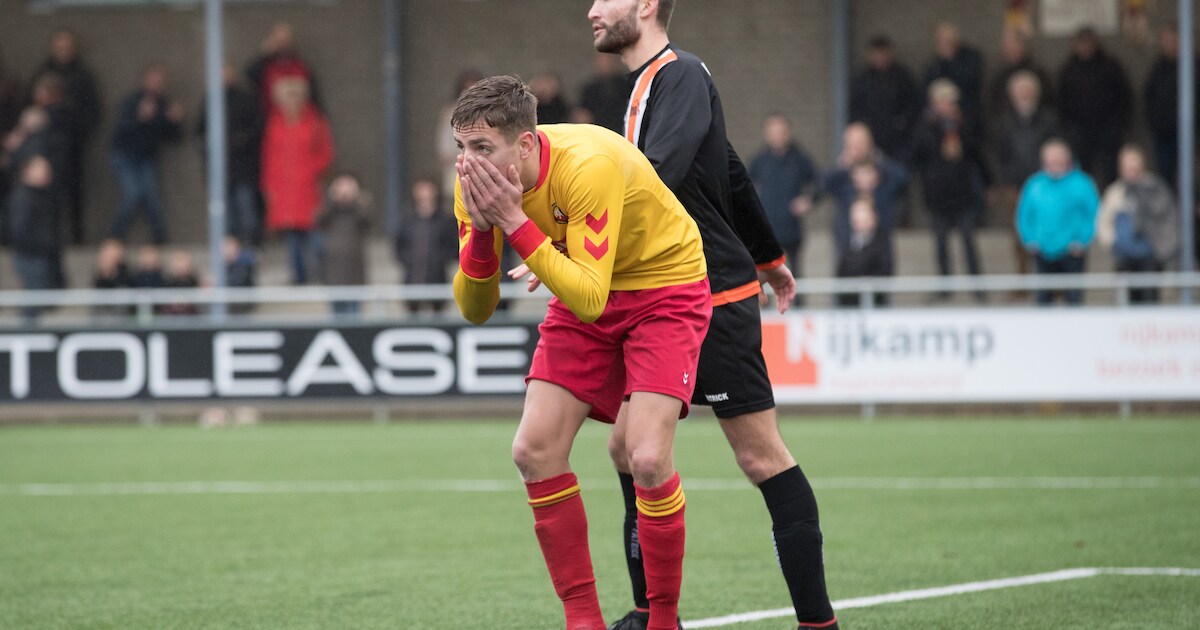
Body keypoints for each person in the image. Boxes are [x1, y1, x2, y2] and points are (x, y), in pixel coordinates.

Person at [586, 1, 837, 629]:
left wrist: (574, 241)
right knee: (626, 449)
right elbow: (729, 170)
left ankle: (818, 623)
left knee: (761, 458)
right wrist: (770, 256)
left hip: (711, 296)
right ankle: (649, 613)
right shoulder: (650, 86)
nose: (591, 10)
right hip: (660, 295)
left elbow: (659, 178)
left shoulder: (681, 75)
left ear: (647, 5)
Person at [451, 76, 710, 630]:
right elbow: (475, 309)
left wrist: (516, 224)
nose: (468, 162)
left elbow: (589, 298)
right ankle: (583, 622)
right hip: (585, 285)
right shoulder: (474, 185)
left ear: (524, 144)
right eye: (462, 147)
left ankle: (663, 621)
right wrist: (483, 232)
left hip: (664, 287)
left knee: (646, 458)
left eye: (482, 147)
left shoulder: (587, 164)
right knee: (533, 450)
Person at [908, 79, 986, 299]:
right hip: (937, 195)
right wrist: (935, 129)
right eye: (943, 102)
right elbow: (915, 156)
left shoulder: (964, 124)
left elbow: (977, 154)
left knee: (968, 241)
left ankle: (978, 287)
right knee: (941, 243)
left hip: (963, 194)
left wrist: (958, 131)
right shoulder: (925, 127)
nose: (948, 106)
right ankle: (945, 287)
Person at [260, 76, 334, 285]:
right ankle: (299, 276)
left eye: (294, 98)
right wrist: (269, 186)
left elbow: (326, 153)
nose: (290, 104)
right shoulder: (275, 124)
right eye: (286, 99)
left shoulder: (315, 122)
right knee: (292, 236)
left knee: (315, 232)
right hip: (284, 188)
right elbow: (269, 156)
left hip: (307, 186)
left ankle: (325, 274)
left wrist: (312, 170)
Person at [31, 30, 100, 245]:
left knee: (74, 192)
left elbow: (92, 111)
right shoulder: (43, 71)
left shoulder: (82, 76)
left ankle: (76, 236)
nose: (63, 52)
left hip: (72, 145)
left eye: (67, 48)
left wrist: (78, 133)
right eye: (59, 48)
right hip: (43, 147)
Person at [1016, 139, 1100, 306]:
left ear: (1067, 160)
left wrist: (1082, 240)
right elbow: (1024, 215)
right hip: (1042, 250)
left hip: (1072, 250)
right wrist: (1030, 239)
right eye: (1050, 162)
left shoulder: (1082, 184)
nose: (1053, 167)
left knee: (1074, 299)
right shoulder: (1034, 184)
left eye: (1057, 162)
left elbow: (1095, 214)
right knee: (1043, 299)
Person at [994, 70, 1059, 284]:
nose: (1024, 95)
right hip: (1015, 185)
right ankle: (1023, 279)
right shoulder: (1004, 121)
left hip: (1045, 185)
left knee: (1048, 230)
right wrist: (1005, 179)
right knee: (1019, 234)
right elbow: (999, 153)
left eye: (1028, 91)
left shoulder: (1049, 120)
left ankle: (1051, 282)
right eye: (1020, 91)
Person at [109, 63, 183, 245]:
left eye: (160, 81)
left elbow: (173, 138)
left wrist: (174, 121)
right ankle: (115, 236)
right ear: (145, 80)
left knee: (150, 195)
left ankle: (159, 237)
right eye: (153, 79)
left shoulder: (163, 104)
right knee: (133, 193)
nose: (157, 84)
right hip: (124, 154)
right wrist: (140, 118)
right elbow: (120, 130)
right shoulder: (131, 101)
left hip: (146, 157)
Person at [1096, 145, 1178, 304]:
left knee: (1150, 300)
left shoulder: (1156, 189)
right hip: (1124, 258)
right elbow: (1104, 222)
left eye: (1134, 167)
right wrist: (1113, 243)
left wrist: (1163, 248)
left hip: (1151, 257)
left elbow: (1168, 221)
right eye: (1127, 168)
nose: (1131, 172)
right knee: (1125, 302)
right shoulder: (1115, 192)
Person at [196, 63, 264, 247]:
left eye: (226, 73)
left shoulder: (246, 99)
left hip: (243, 167)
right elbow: (200, 132)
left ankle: (251, 247)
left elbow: (258, 128)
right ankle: (230, 250)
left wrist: (243, 140)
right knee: (225, 216)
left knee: (247, 211)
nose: (224, 77)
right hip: (220, 170)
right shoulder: (210, 101)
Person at [1057, 27, 1133, 190]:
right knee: (1082, 173)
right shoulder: (1068, 69)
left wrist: (1118, 124)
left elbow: (1124, 96)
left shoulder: (1110, 66)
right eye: (1081, 43)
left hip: (1107, 129)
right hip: (1079, 131)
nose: (1085, 48)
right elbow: (1061, 101)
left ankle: (1110, 202)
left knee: (1110, 172)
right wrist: (1069, 128)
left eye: (1088, 43)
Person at [5, 107, 62, 322]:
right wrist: (38, 246)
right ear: (28, 171)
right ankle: (26, 332)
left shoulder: (41, 194)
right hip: (30, 254)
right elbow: (20, 227)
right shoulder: (24, 196)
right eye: (41, 169)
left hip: (38, 252)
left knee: (38, 298)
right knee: (33, 299)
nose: (47, 172)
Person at [748, 113, 816, 283]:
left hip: (791, 227)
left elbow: (818, 182)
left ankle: (797, 299)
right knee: (765, 272)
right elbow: (745, 186)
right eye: (773, 132)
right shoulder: (759, 160)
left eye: (781, 131)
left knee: (795, 272)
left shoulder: (799, 159)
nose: (777, 136)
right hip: (767, 228)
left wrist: (808, 200)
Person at [822, 123, 908, 257]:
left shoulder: (884, 174)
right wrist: (842, 166)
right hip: (847, 245)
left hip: (880, 246)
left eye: (860, 142)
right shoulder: (843, 178)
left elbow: (902, 179)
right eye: (851, 143)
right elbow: (823, 184)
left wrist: (879, 163)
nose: (856, 148)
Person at [1144, 22, 1200, 191]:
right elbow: (1148, 97)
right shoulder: (1157, 68)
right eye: (1166, 40)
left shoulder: (1194, 66)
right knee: (1165, 176)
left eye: (1173, 40)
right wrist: (1156, 123)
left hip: (1191, 133)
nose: (1169, 44)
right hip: (1164, 133)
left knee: (1190, 175)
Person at [849, 34, 921, 159]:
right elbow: (856, 109)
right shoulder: (862, 80)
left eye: (883, 53)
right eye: (877, 54)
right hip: (871, 138)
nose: (880, 58)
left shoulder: (902, 77)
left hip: (899, 141)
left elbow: (913, 105)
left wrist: (902, 124)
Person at [395, 176, 458, 315]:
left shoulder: (445, 220)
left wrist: (439, 259)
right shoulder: (407, 219)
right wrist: (408, 260)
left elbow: (453, 247)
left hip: (437, 278)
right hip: (412, 278)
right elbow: (399, 245)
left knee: (438, 315)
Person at [317, 173, 370, 317]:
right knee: (337, 316)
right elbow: (319, 220)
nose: (344, 191)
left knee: (355, 318)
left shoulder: (359, 208)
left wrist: (355, 200)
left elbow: (367, 221)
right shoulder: (330, 208)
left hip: (355, 273)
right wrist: (333, 199)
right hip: (333, 273)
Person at [921, 22, 985, 135]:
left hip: (966, 114)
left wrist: (949, 60)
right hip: (939, 116)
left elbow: (970, 85)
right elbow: (927, 89)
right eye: (941, 41)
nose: (945, 44)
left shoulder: (972, 58)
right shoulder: (933, 65)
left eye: (948, 40)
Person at [246, 23, 321, 113]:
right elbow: (249, 76)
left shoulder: (301, 67)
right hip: (272, 116)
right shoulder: (265, 67)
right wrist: (263, 55)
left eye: (286, 41)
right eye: (280, 42)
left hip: (300, 118)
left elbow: (314, 96)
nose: (283, 45)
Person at [835, 198, 893, 308]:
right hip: (849, 306)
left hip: (875, 305)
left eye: (862, 212)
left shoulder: (882, 242)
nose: (857, 218)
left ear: (873, 217)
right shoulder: (849, 243)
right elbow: (841, 272)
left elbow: (884, 271)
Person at [988, 27, 1053, 121]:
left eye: (1014, 43)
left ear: (1024, 46)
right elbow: (994, 107)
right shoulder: (999, 77)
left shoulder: (1039, 74)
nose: (1010, 48)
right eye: (1006, 44)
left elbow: (1048, 104)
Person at [579, 53, 629, 133]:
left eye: (607, 61)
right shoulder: (589, 89)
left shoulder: (626, 85)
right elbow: (583, 113)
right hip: (598, 132)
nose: (604, 65)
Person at [92, 239, 133, 319]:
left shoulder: (126, 274)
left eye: (111, 254)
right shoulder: (98, 276)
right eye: (106, 254)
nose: (108, 258)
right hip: (101, 316)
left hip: (121, 317)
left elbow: (124, 285)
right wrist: (105, 274)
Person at [161, 250, 200, 316]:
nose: (181, 266)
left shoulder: (194, 282)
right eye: (178, 262)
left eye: (183, 262)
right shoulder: (167, 282)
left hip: (191, 316)